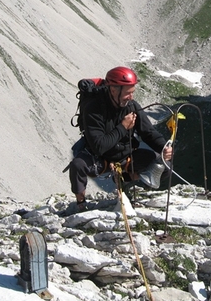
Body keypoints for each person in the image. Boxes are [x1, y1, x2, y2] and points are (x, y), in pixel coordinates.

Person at [69, 66, 173, 210]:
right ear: (113, 90)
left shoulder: (131, 106)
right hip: (100, 158)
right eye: (128, 93)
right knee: (77, 165)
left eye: (132, 93)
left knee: (165, 167)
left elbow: (148, 132)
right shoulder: (94, 109)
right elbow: (99, 146)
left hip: (125, 157)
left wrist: (164, 148)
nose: (131, 97)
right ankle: (81, 204)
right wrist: (123, 126)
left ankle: (126, 180)